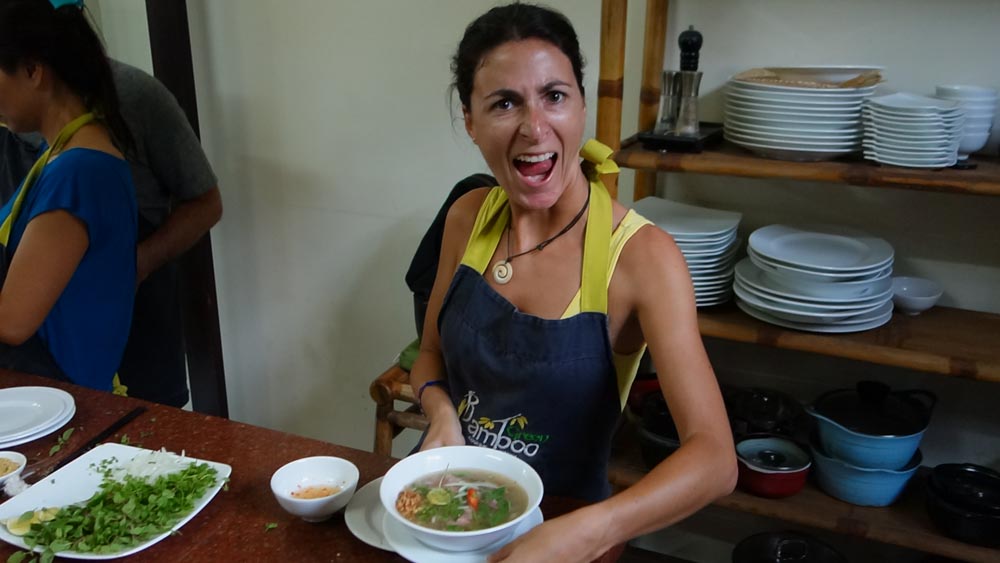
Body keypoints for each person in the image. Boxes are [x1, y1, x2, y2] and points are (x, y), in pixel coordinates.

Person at [408, 4, 737, 561]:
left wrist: (593, 530)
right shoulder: (468, 217)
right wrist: (441, 413)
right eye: (504, 103)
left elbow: (714, 458)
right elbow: (430, 355)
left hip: (567, 527)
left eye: (554, 96)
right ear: (470, 121)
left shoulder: (642, 258)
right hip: (446, 505)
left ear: (581, 105)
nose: (534, 128)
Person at [0, 57, 222, 407]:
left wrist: (134, 265)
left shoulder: (81, 165)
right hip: (59, 362)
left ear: (33, 68)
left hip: (111, 341)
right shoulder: (58, 146)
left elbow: (12, 320)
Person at [0, 0, 137, 391]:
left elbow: (13, 320)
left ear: (32, 71)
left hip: (66, 402)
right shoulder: (59, 157)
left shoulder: (79, 172)